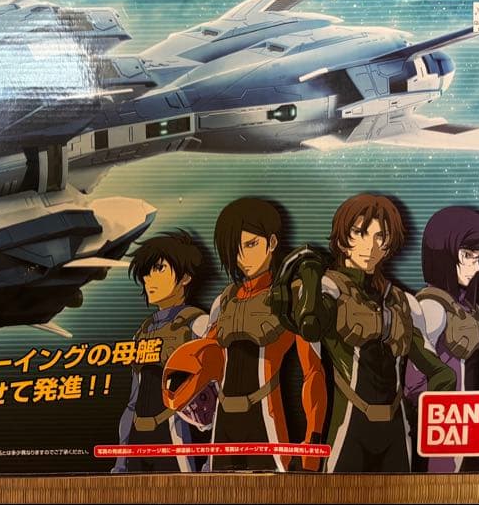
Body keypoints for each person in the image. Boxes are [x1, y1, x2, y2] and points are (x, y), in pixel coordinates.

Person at [162, 198, 326, 472]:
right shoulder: (225, 301)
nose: (243, 259)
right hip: (223, 423)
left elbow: (313, 372)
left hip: (266, 420)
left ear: (272, 242)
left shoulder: (293, 296)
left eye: (251, 245)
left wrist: (313, 440)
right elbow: (204, 360)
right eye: (235, 250)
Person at [299, 194, 455, 473]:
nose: (370, 246)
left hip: (396, 430)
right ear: (342, 239)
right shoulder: (329, 290)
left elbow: (440, 373)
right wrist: (310, 280)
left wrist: (426, 416)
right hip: (349, 426)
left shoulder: (402, 302)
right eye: (360, 233)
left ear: (388, 244)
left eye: (380, 236)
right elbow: (310, 326)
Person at [405, 206, 479, 472]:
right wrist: (471, 410)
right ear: (444, 253)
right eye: (468, 256)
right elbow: (414, 388)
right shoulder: (430, 307)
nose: (476, 267)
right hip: (440, 431)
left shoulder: (472, 310)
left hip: (471, 428)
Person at [113, 230, 213, 473]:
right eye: (146, 272)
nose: (149, 279)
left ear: (185, 277)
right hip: (139, 440)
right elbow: (132, 402)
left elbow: (217, 400)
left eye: (159, 269)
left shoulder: (198, 325)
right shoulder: (143, 331)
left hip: (177, 436)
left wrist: (212, 460)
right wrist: (121, 461)